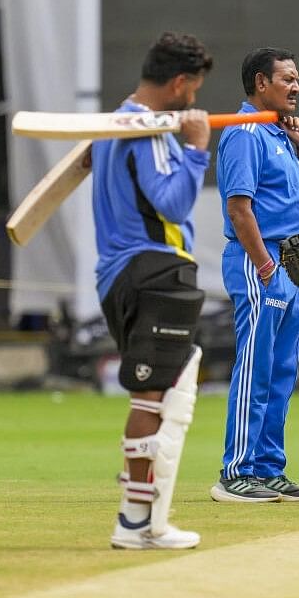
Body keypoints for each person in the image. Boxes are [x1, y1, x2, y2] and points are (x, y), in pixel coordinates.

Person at [94, 32, 212, 549]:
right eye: (194, 88)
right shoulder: (147, 130)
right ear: (180, 82)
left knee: (170, 383)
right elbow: (172, 202)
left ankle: (146, 518)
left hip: (119, 274)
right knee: (156, 391)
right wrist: (196, 150)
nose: (194, 99)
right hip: (154, 268)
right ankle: (136, 522)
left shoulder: (113, 124)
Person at [211, 48, 299, 503]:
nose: (296, 87)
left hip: (288, 265)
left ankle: (268, 469)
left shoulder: (279, 135)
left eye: (297, 79)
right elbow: (240, 208)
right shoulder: (244, 133)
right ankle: (235, 473)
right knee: (255, 367)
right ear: (261, 83)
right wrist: (264, 264)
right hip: (262, 263)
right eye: (287, 79)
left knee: (281, 372)